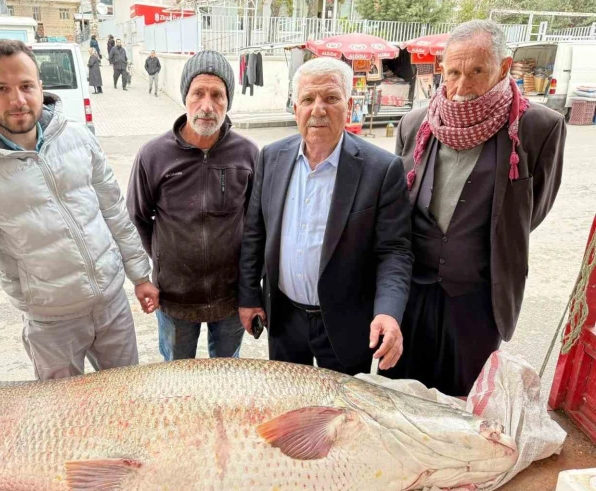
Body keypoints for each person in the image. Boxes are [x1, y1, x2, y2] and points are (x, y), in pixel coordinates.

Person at [0, 39, 159, 380]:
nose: (17, 100)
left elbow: (114, 213)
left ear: (40, 86)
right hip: (52, 325)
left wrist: (140, 276)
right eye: (1, 88)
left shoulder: (78, 138)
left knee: (127, 399)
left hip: (112, 307)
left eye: (25, 86)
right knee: (64, 412)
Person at [384, 20, 566, 396]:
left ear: (504, 67)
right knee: (400, 397)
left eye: (477, 71)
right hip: (412, 296)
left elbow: (532, 211)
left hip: (478, 300)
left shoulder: (539, 128)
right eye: (453, 72)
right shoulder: (414, 124)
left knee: (465, 402)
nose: (462, 86)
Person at [238, 57, 413, 375]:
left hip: (346, 323)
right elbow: (255, 231)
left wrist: (388, 312)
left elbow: (394, 251)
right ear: (295, 109)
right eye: (308, 99)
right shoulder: (271, 157)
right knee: (289, 399)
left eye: (331, 98)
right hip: (285, 319)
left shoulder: (381, 169)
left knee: (341, 405)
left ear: (349, 106)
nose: (318, 109)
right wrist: (249, 295)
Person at [128, 50, 259, 361]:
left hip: (230, 296)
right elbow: (137, 217)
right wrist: (161, 261)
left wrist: (251, 289)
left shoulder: (248, 155)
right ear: (184, 97)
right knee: (177, 375)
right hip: (175, 298)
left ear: (229, 101)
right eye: (198, 93)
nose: (207, 106)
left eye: (217, 95)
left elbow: (257, 224)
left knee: (226, 373)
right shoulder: (153, 156)